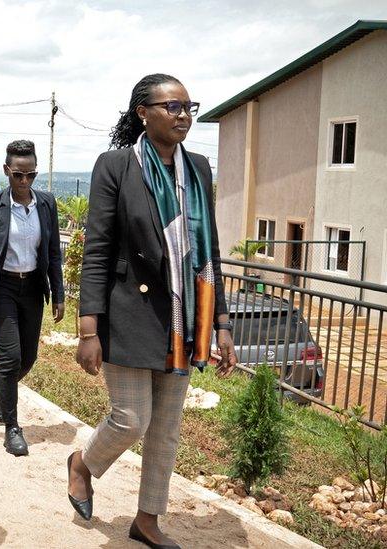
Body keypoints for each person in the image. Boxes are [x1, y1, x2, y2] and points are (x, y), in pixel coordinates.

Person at [66, 74, 237, 549]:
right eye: (172, 106)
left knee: (165, 429)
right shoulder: (117, 166)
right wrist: (88, 328)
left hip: (185, 318)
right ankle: (83, 464)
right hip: (128, 312)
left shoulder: (200, 169)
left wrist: (221, 322)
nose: (183, 115)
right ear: (143, 112)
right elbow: (97, 248)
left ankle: (147, 520)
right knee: (130, 419)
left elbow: (209, 250)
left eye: (189, 106)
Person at [0, 139, 63, 456]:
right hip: (1, 288)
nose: (24, 181)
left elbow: (53, 254)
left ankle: (1, 388)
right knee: (10, 357)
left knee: (29, 358)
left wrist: (59, 294)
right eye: (18, 175)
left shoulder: (46, 204)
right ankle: (12, 428)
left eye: (30, 175)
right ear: (7, 171)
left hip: (32, 286)